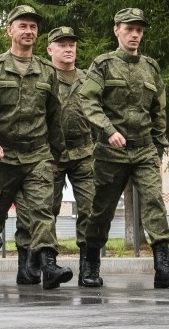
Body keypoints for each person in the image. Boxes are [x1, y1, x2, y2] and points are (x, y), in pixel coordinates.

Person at [78, 7, 169, 289]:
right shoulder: (102, 64)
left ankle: (162, 266)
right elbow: (87, 101)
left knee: (154, 203)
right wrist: (108, 129)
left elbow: (158, 110)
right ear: (117, 30)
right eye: (129, 29)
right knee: (101, 209)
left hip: (145, 150)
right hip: (110, 152)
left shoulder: (151, 67)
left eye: (139, 30)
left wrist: (159, 147)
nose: (135, 34)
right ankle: (90, 265)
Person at [0, 4, 72, 290]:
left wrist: (58, 155)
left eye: (33, 27)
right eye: (23, 25)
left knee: (42, 209)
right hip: (1, 156)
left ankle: (49, 266)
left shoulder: (46, 70)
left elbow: (54, 115)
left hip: (37, 154)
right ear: (9, 30)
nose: (29, 31)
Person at [46, 26, 96, 285]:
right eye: (61, 43)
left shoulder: (88, 78)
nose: (68, 48)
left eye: (72, 44)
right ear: (50, 49)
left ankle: (89, 267)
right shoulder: (42, 77)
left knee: (90, 207)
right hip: (50, 152)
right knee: (47, 209)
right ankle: (48, 265)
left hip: (84, 151)